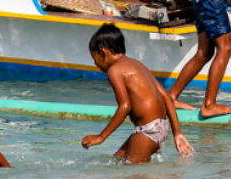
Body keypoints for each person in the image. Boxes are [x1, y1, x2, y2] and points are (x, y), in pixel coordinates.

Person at [83, 23, 195, 164]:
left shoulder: (115, 71)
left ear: (103, 52)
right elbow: (166, 97)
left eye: (94, 57)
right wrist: (177, 133)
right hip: (160, 126)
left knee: (130, 178)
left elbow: (125, 106)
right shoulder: (138, 64)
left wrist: (101, 136)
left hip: (147, 130)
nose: (95, 64)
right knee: (117, 162)